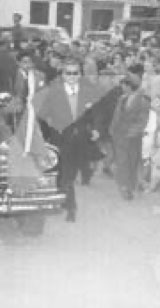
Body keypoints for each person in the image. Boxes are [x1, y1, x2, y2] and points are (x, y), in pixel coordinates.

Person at [35, 57, 102, 222]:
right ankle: (70, 206)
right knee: (63, 174)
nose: (72, 76)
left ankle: (68, 204)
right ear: (63, 74)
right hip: (60, 139)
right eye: (68, 73)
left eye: (75, 73)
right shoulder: (54, 91)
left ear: (80, 74)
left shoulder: (87, 91)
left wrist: (94, 129)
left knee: (69, 175)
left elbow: (93, 113)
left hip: (80, 139)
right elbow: (42, 113)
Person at [109, 74, 151, 200]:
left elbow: (143, 120)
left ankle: (131, 185)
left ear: (129, 86)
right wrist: (112, 129)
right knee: (122, 162)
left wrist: (133, 132)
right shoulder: (122, 99)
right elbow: (116, 116)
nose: (122, 87)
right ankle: (125, 187)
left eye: (124, 84)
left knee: (132, 162)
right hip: (120, 136)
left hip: (133, 137)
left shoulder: (143, 101)